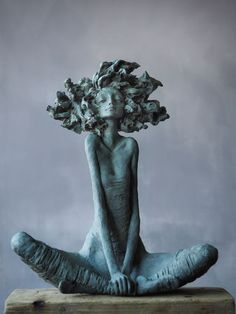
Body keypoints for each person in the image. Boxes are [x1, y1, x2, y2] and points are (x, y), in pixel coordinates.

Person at [11, 60, 218, 296]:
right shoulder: (93, 143)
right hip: (96, 258)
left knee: (206, 253)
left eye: (117, 98)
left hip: (135, 258)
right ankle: (122, 286)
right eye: (103, 100)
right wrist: (114, 270)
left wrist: (127, 266)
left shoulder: (130, 146)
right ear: (93, 108)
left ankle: (115, 286)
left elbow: (134, 213)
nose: (111, 103)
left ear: (127, 104)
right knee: (21, 242)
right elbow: (101, 211)